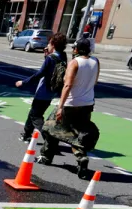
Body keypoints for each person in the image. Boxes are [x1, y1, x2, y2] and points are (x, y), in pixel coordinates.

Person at [37, 38, 100, 179]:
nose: (72, 50)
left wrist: (60, 107)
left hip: (71, 104)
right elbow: (95, 81)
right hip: (87, 104)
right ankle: (81, 158)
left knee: (50, 128)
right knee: (78, 132)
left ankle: (46, 157)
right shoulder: (95, 61)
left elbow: (67, 85)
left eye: (74, 48)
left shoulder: (74, 63)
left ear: (77, 49)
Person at [15, 32, 67, 142]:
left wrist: (24, 82)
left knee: (36, 116)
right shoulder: (63, 56)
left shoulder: (50, 58)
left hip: (43, 91)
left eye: (49, 43)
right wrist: (46, 56)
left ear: (53, 44)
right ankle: (27, 134)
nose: (47, 45)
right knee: (34, 113)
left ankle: (49, 139)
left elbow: (40, 73)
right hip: (52, 91)